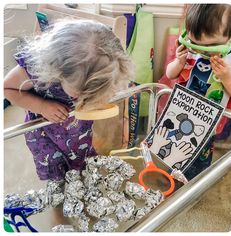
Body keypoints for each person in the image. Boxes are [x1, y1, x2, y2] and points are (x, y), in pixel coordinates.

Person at [4, 19, 134, 224]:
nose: (86, 98)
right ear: (58, 71)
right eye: (81, 93)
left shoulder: (105, 68)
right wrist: (41, 106)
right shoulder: (35, 67)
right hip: (45, 134)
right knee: (56, 174)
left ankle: (80, 191)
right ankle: (59, 206)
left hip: (78, 132)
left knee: (80, 164)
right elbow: (7, 89)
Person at [165, 4, 231, 179]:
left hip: (207, 124)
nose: (201, 51)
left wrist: (227, 77)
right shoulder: (190, 51)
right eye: (195, 43)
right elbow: (170, 74)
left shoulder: (230, 62)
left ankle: (194, 181)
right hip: (179, 113)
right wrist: (179, 62)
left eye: (210, 47)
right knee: (172, 148)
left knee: (199, 158)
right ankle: (171, 171)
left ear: (230, 38)